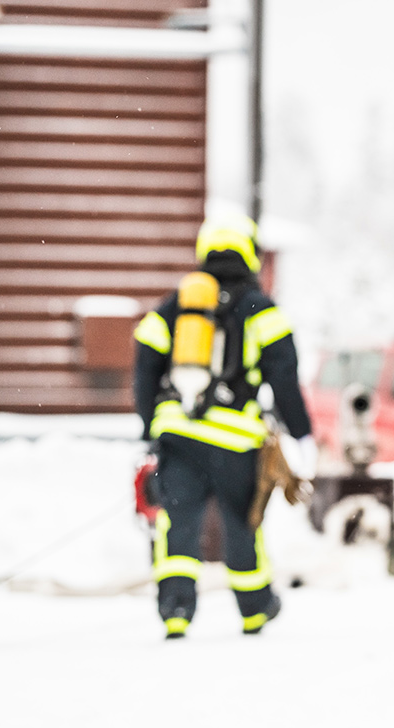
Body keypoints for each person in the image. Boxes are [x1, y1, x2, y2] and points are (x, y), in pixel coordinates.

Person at [133, 212, 317, 639]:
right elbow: (283, 376)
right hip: (236, 441)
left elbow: (145, 366)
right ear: (250, 252)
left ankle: (176, 611)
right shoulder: (260, 308)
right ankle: (255, 609)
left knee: (178, 524)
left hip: (179, 435)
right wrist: (302, 433)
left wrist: (150, 428)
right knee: (242, 524)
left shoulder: (177, 305)